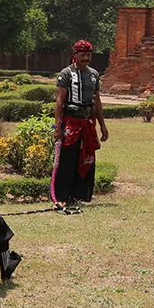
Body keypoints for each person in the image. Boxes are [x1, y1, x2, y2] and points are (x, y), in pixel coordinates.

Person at [52, 40, 110, 212]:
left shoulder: (93, 75)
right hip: (71, 120)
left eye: (89, 54)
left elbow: (97, 101)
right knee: (68, 158)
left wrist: (103, 125)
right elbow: (60, 101)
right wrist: (57, 126)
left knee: (87, 157)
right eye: (82, 54)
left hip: (88, 121)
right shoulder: (66, 74)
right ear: (75, 55)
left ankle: (81, 194)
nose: (86, 57)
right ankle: (62, 197)